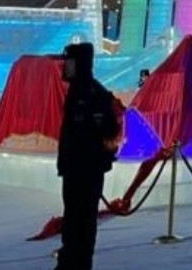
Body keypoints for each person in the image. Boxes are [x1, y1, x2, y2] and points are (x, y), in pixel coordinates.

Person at [56, 42, 122, 270]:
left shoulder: (93, 93)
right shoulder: (77, 91)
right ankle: (68, 262)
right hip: (75, 167)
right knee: (73, 218)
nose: (65, 67)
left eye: (69, 62)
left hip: (87, 168)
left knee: (83, 220)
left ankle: (79, 264)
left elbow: (108, 129)